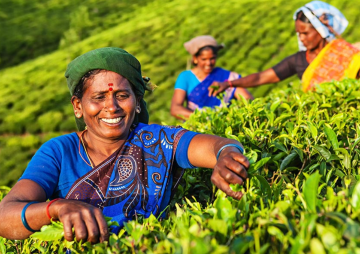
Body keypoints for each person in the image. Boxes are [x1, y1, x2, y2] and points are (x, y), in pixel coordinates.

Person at [0, 47, 250, 243]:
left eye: (122, 95)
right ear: (78, 106)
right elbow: (5, 215)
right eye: (98, 97)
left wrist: (226, 156)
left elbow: (217, 146)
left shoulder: (157, 140)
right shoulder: (58, 152)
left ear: (138, 102)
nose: (112, 107)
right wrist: (57, 208)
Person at [208, 1, 360, 96]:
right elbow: (262, 77)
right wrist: (228, 84)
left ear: (320, 30)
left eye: (306, 33)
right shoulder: (298, 60)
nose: (301, 38)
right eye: (299, 33)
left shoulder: (344, 53)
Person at [171, 35, 253, 120]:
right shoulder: (185, 77)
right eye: (204, 59)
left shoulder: (228, 77)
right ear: (195, 58)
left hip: (223, 125)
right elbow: (175, 109)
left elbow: (248, 101)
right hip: (196, 128)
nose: (208, 63)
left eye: (212, 58)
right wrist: (205, 118)